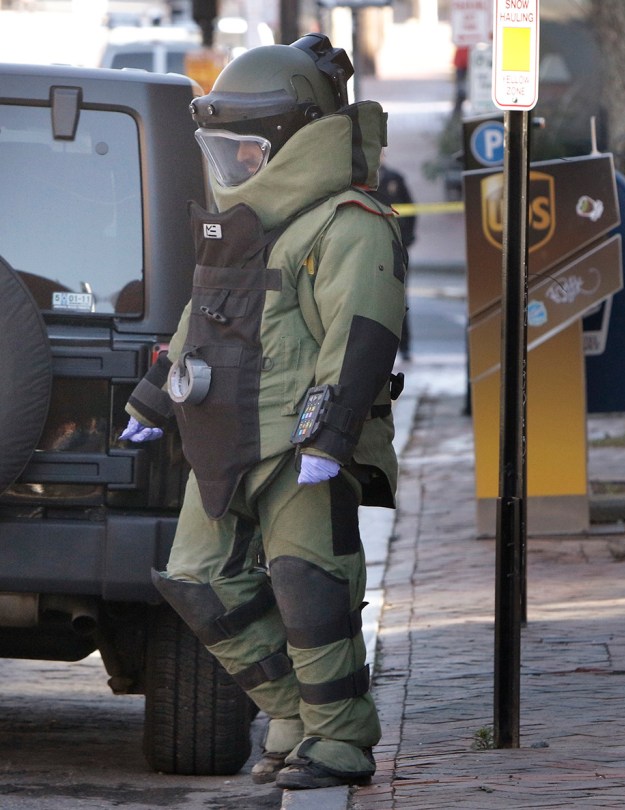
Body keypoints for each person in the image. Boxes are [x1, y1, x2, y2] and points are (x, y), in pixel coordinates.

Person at [119, 34, 407, 791]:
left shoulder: (349, 224)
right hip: (221, 435)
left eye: (248, 150)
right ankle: (295, 714)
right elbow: (200, 321)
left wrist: (335, 435)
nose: (236, 167)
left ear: (295, 142)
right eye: (227, 151)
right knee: (196, 579)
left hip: (297, 445)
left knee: (312, 590)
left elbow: (364, 337)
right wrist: (153, 399)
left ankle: (339, 740)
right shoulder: (242, 229)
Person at [368, 160, 416, 359]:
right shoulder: (363, 183)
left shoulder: (394, 178)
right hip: (371, 248)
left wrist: (406, 239)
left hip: (396, 248)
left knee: (398, 299)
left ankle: (404, 347)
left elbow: (411, 211)